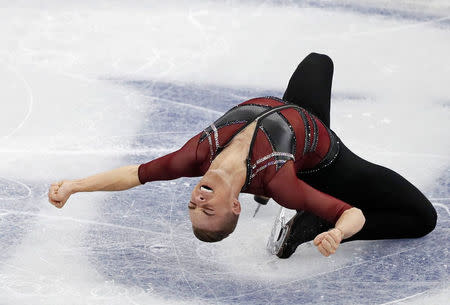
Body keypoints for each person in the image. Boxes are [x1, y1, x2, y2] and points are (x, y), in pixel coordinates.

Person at [48, 53, 437, 259]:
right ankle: (309, 227)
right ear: (235, 206)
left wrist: (76, 186)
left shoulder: (195, 155)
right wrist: (334, 230)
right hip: (329, 161)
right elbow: (353, 214)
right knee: (422, 218)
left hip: (299, 116)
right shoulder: (279, 180)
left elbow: (134, 173)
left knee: (319, 61)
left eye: (194, 206)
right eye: (209, 210)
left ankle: (309, 205)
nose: (198, 201)